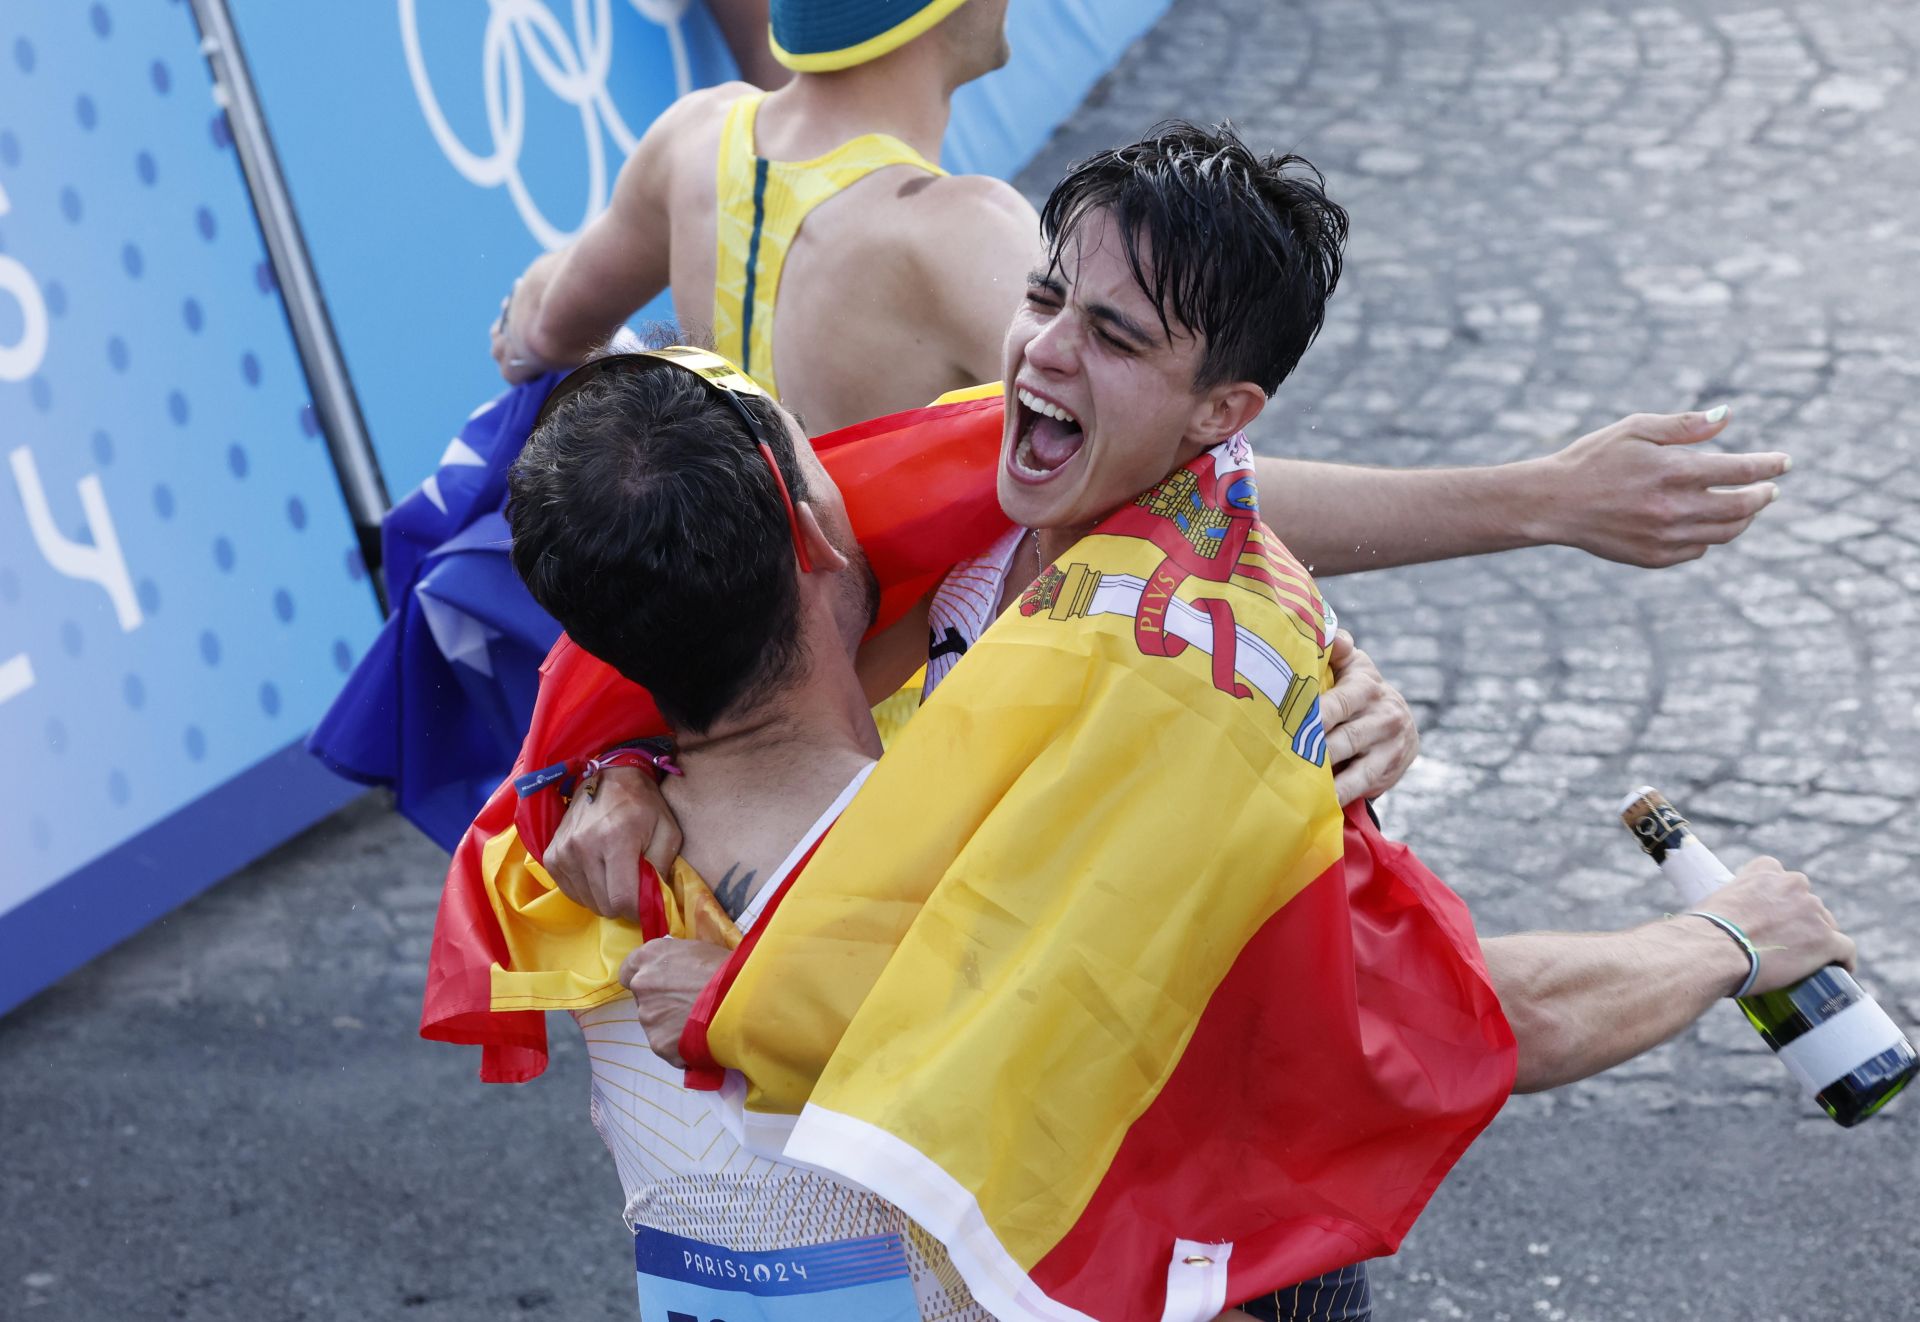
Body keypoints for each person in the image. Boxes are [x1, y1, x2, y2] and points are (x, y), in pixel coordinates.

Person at [480, 125, 1856, 1321]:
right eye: (1044, 296)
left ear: (1225, 411)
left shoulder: (1205, 675)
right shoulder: (956, 522)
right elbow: (713, 619)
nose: (1040, 355)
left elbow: (1420, 1016)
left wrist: (1723, 946)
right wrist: (629, 768)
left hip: (1200, 1253)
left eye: (1115, 336)